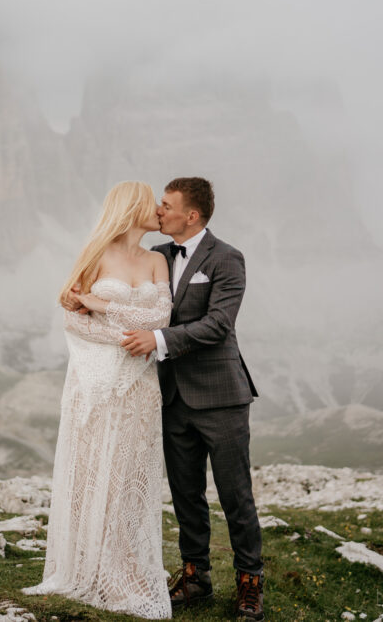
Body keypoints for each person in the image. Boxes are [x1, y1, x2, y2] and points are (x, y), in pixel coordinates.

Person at [100, 177, 265, 621]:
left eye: (167, 205)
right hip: (171, 396)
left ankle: (250, 584)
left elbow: (218, 325)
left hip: (220, 396)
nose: (158, 211)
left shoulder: (227, 258)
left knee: (235, 494)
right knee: (185, 494)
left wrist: (156, 339)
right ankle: (195, 578)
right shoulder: (159, 256)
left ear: (191, 215)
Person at [22, 181, 173, 619]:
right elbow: (73, 319)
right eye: (152, 205)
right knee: (93, 474)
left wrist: (103, 306)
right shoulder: (96, 252)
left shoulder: (157, 260)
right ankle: (86, 568)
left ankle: (127, 572)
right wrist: (125, 338)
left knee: (128, 477)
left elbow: (161, 316)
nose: (159, 211)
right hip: (96, 383)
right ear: (132, 209)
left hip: (141, 386)